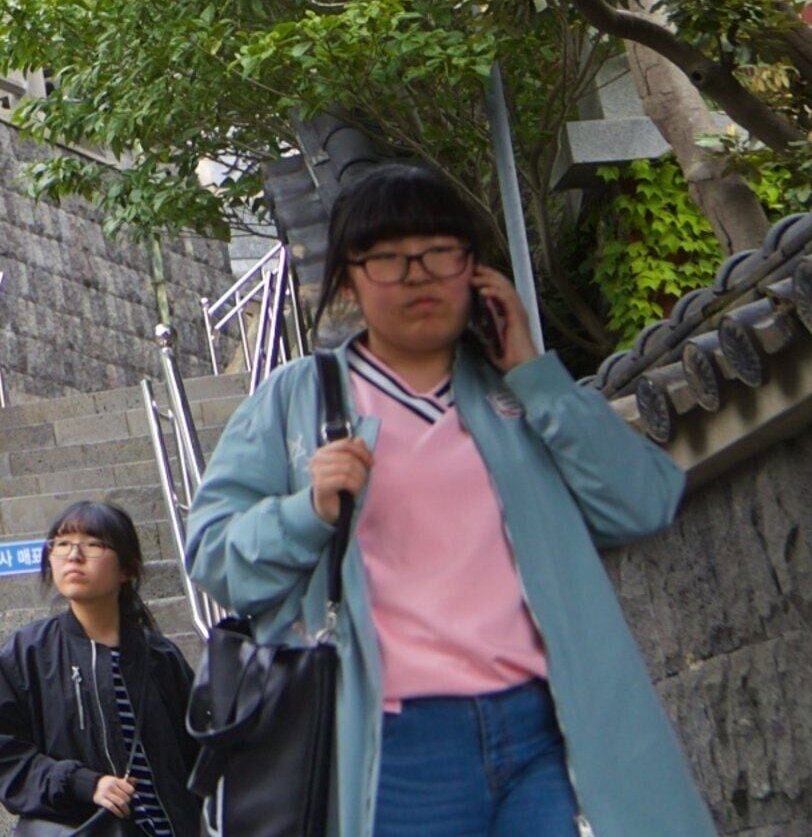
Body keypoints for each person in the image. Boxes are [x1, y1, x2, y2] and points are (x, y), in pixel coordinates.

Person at [189, 160, 710, 837]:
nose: (418, 275)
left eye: (441, 252)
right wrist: (305, 512)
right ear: (348, 278)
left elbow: (645, 503)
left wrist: (534, 372)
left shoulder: (517, 397)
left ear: (475, 271)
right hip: (394, 740)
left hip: (543, 733)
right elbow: (212, 554)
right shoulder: (296, 401)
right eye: (389, 258)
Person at [0, 500, 198, 835]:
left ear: (127, 569)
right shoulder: (27, 654)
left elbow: (198, 759)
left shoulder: (161, 657)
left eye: (93, 544)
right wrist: (84, 784)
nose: (74, 556)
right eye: (62, 544)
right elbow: (7, 761)